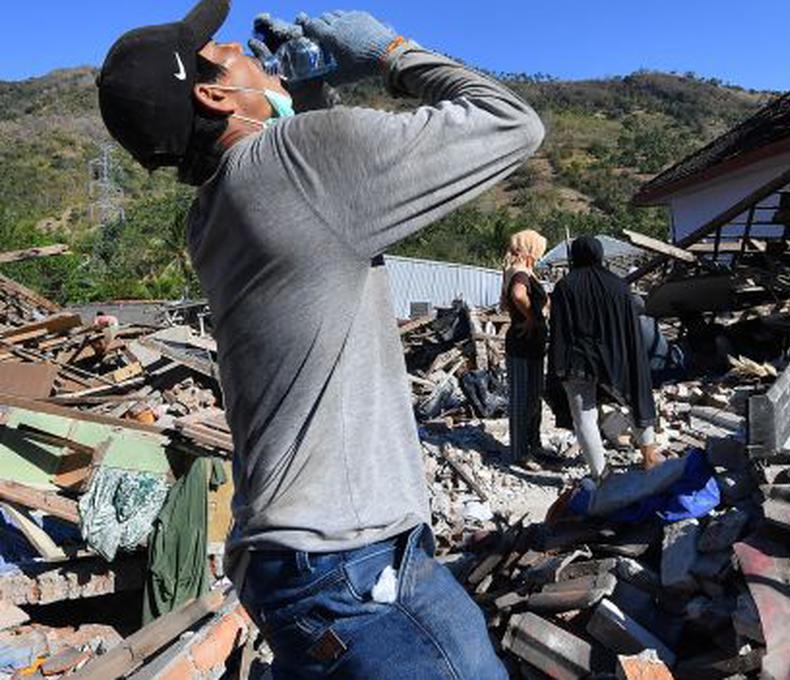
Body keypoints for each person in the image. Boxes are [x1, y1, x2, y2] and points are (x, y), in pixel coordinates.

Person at [97, 2, 542, 678]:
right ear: (215, 95)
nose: (250, 53)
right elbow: (512, 125)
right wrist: (388, 52)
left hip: (289, 568)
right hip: (356, 571)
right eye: (229, 55)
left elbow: (317, 217)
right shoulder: (294, 163)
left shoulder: (213, 214)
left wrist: (304, 94)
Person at [548, 235, 664, 477]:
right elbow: (629, 328)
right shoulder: (618, 286)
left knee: (584, 417)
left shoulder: (565, 286)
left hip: (577, 362)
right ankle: (649, 456)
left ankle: (600, 473)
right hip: (616, 359)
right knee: (634, 402)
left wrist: (558, 366)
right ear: (600, 254)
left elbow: (559, 329)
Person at [500, 229, 548, 467]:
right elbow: (519, 295)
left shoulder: (525, 271)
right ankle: (520, 451)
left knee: (533, 396)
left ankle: (533, 444)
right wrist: (530, 317)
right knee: (522, 399)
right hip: (522, 343)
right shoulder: (519, 272)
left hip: (532, 344)